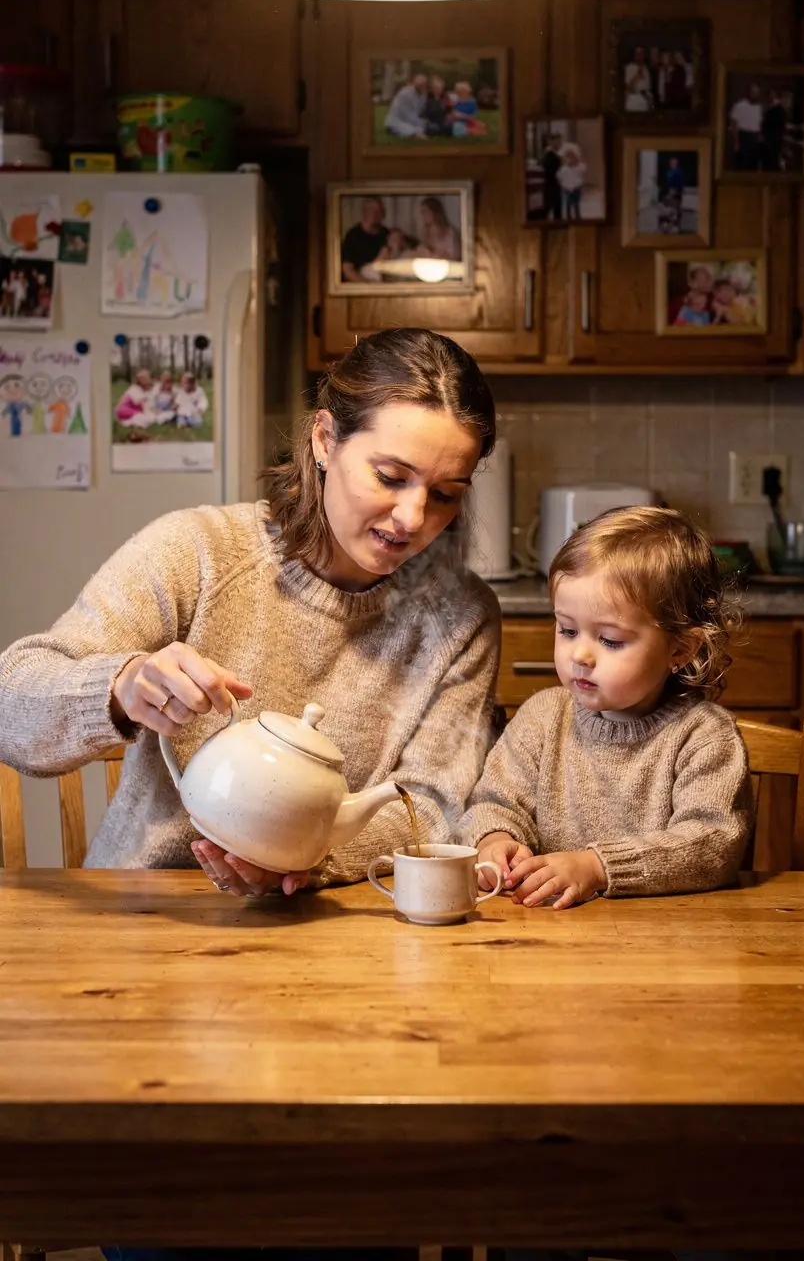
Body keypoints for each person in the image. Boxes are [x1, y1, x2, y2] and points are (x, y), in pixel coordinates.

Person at [0, 327, 501, 903]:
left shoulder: (462, 618)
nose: (413, 518)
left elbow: (433, 806)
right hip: (145, 910)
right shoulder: (198, 553)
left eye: (445, 494)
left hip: (330, 922)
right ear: (324, 439)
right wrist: (120, 686)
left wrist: (307, 856)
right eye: (390, 477)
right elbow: (12, 703)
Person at [462, 505, 752, 912]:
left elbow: (713, 843)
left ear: (680, 650)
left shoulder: (703, 737)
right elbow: (495, 803)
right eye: (567, 629)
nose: (580, 653)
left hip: (665, 943)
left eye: (611, 640)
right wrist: (494, 840)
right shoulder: (544, 717)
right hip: (549, 943)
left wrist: (598, 867)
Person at [340, 196, 390, 282]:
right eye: (373, 211)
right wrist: (367, 286)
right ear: (365, 212)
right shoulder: (353, 235)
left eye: (380, 211)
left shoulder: (387, 234)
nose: (377, 215)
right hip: (360, 284)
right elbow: (347, 270)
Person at [415, 196, 462, 261]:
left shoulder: (451, 232)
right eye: (421, 212)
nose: (422, 215)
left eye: (424, 211)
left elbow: (456, 257)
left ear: (434, 212)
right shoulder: (426, 232)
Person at [729, 82, 763, 171]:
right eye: (753, 92)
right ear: (748, 92)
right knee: (743, 165)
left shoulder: (759, 107)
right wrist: (736, 142)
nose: (754, 95)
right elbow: (733, 125)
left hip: (755, 138)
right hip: (743, 137)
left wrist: (759, 138)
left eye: (757, 93)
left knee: (753, 165)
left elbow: (759, 124)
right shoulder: (739, 106)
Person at [383, 73, 428, 138]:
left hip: (411, 120)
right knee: (414, 129)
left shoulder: (423, 94)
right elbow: (406, 114)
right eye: (419, 84)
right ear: (414, 83)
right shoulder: (405, 94)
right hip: (398, 120)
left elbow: (420, 110)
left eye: (423, 85)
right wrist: (420, 123)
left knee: (421, 128)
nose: (421, 86)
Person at [557, 143, 587, 222]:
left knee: (576, 203)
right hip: (567, 188)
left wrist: (576, 163)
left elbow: (583, 170)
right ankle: (568, 217)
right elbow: (559, 176)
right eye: (568, 156)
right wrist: (563, 184)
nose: (570, 158)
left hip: (576, 187)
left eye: (572, 156)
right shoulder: (564, 168)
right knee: (568, 204)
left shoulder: (579, 166)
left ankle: (578, 217)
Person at [760, 87, 788, 172]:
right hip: (767, 140)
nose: (768, 98)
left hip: (775, 140)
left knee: (774, 162)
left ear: (774, 96)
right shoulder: (767, 109)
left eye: (770, 96)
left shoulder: (779, 110)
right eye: (767, 96)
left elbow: (781, 126)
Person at [623, 45, 653, 112]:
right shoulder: (629, 68)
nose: (639, 55)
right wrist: (636, 76)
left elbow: (648, 87)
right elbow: (628, 87)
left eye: (641, 53)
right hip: (633, 99)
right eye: (637, 53)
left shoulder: (646, 69)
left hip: (645, 100)